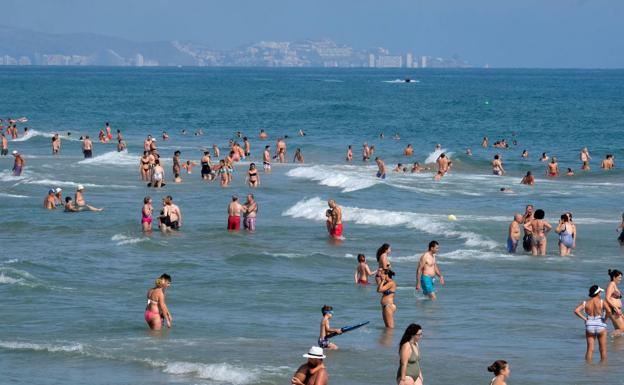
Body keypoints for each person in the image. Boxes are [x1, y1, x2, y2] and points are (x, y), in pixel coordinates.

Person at [574, 285, 610, 362]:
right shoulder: (602, 301)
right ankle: (603, 367)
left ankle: (588, 367)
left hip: (589, 325)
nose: (600, 293)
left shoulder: (585, 302)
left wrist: (585, 319)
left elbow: (576, 310)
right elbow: (609, 311)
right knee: (602, 349)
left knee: (590, 349)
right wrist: (605, 319)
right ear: (597, 293)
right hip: (600, 324)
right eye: (600, 292)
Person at [606, 269, 624, 336]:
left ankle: (616, 343)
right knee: (622, 329)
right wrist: (616, 308)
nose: (620, 279)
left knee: (620, 329)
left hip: (616, 310)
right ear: (614, 277)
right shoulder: (611, 285)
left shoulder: (614, 285)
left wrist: (619, 310)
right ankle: (604, 336)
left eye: (621, 278)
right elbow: (607, 298)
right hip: (613, 310)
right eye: (619, 277)